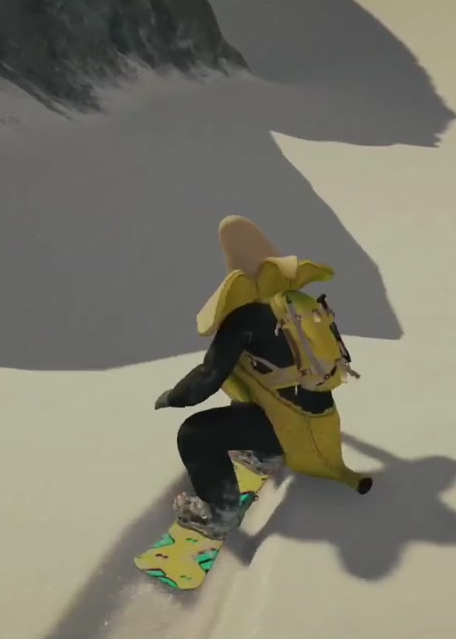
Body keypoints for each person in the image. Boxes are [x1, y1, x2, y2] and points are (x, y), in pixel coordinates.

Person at [154, 216, 373, 538]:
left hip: (288, 428)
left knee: (194, 434)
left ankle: (221, 512)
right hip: (320, 418)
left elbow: (208, 377)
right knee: (250, 388)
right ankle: (265, 453)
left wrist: (173, 397)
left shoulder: (244, 318)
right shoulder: (298, 304)